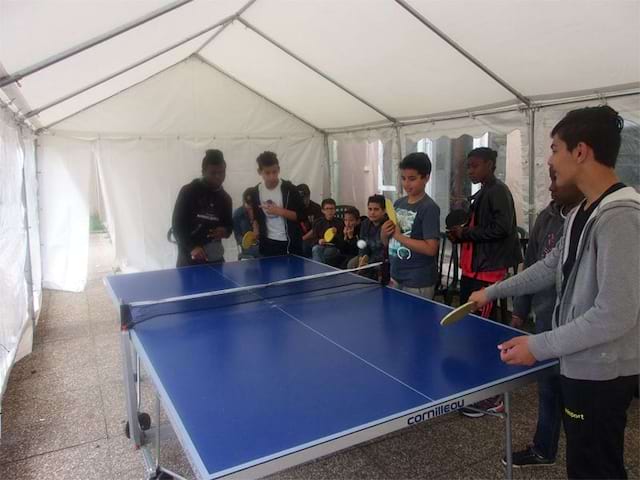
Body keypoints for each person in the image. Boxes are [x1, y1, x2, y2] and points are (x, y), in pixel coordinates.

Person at [470, 106, 639, 479]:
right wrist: (491, 292)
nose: (549, 159)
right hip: (579, 361)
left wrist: (538, 345)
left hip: (604, 373)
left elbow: (616, 312)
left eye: (554, 148)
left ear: (580, 151)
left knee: (597, 468)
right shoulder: (582, 211)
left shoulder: (621, 216)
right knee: (584, 465)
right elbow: (549, 267)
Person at [504, 166, 583, 468]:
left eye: (556, 178)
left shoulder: (595, 219)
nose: (551, 187)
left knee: (579, 404)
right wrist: (518, 312)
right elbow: (533, 268)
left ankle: (585, 458)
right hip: (545, 322)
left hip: (578, 331)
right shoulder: (546, 218)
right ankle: (544, 449)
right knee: (548, 391)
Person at [447, 147, 523, 320]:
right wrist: (459, 235)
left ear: (489, 165)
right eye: (468, 167)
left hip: (486, 270)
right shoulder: (484, 190)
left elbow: (501, 228)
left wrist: (465, 233)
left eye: (474, 166)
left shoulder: (498, 191)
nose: (470, 171)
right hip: (474, 268)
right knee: (469, 316)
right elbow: (479, 225)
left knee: (481, 319)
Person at [381, 152, 440, 299]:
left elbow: (431, 249)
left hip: (418, 281)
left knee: (415, 321)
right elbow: (387, 242)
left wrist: (399, 236)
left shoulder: (429, 208)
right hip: (396, 275)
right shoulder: (398, 203)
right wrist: (384, 233)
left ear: (426, 178)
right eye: (403, 178)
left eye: (412, 179)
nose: (406, 183)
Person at [171, 149, 232, 267]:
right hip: (188, 258)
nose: (218, 177)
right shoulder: (188, 191)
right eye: (213, 173)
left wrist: (224, 231)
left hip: (215, 258)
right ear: (203, 171)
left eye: (222, 172)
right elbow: (177, 225)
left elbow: (229, 226)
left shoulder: (226, 199)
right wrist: (192, 247)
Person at [247, 151, 305, 257]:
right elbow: (256, 216)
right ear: (259, 172)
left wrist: (279, 211)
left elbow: (301, 215)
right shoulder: (255, 192)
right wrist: (255, 228)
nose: (272, 176)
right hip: (267, 243)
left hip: (290, 243)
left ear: (278, 169)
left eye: (274, 172)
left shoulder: (290, 189)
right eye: (267, 173)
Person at [348, 194, 388, 272]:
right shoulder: (365, 223)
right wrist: (361, 257)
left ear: (383, 211)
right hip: (369, 256)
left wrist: (369, 263)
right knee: (351, 264)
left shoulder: (388, 225)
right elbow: (362, 243)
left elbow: (386, 252)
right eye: (370, 209)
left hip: (383, 260)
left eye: (376, 209)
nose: (372, 212)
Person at [311, 198, 344, 266]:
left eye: (332, 208)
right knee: (315, 249)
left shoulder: (340, 223)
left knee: (326, 252)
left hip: (334, 248)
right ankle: (320, 271)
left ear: (335, 210)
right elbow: (313, 239)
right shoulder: (317, 223)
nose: (329, 211)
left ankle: (319, 271)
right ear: (323, 210)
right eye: (327, 209)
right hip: (321, 246)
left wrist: (336, 235)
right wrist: (319, 241)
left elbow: (342, 243)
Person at [232, 188, 259, 258]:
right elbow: (237, 236)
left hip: (263, 243)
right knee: (261, 250)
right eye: (248, 202)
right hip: (248, 247)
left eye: (253, 202)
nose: (250, 204)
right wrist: (249, 241)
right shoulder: (237, 214)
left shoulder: (261, 211)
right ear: (243, 201)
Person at [298, 184, 322, 257]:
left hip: (312, 238)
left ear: (309, 196)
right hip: (298, 238)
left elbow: (315, 229)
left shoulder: (316, 208)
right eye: (300, 198)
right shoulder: (294, 209)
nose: (302, 200)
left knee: (303, 246)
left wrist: (302, 239)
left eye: (304, 197)